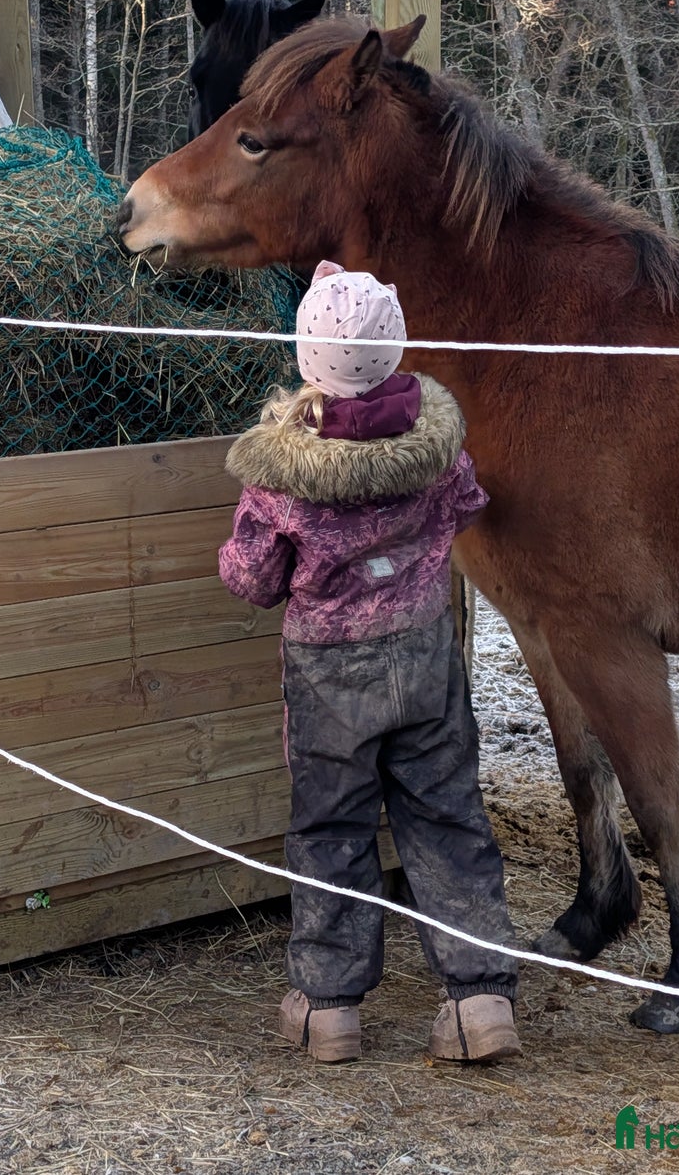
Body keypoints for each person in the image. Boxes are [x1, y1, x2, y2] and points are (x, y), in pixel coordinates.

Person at [218, 260, 520, 1064]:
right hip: (423, 652)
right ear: (394, 352)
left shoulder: (283, 474)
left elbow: (252, 580)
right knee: (448, 816)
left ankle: (328, 1010)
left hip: (328, 672)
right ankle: (479, 1001)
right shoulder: (437, 446)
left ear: (307, 360)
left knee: (332, 827)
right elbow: (469, 506)